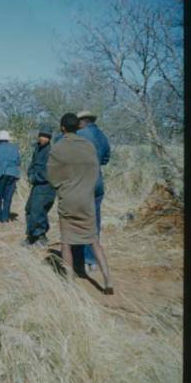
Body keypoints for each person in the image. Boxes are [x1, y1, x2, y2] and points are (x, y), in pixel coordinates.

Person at [47, 113, 113, 294]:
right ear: (79, 126)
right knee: (93, 241)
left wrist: (64, 187)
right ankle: (107, 279)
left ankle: (69, 281)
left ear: (62, 128)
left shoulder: (58, 147)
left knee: (66, 242)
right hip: (87, 198)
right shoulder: (89, 146)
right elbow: (96, 170)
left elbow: (52, 178)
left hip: (68, 199)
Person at [76, 110, 111, 271]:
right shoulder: (102, 135)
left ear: (82, 121)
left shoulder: (79, 134)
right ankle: (92, 259)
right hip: (98, 182)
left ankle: (82, 258)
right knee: (95, 220)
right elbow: (106, 159)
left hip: (83, 183)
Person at [22, 124, 56, 247]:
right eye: (41, 135)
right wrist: (30, 175)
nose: (43, 138)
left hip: (46, 186)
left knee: (38, 211)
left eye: (46, 136)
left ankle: (38, 238)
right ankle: (34, 235)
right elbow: (32, 165)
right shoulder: (37, 149)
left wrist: (34, 178)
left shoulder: (51, 152)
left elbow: (48, 173)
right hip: (37, 185)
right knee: (29, 209)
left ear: (50, 138)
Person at [0, 130, 21, 223]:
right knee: (8, 197)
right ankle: (5, 218)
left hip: (1, 173)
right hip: (13, 174)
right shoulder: (15, 148)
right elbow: (18, 162)